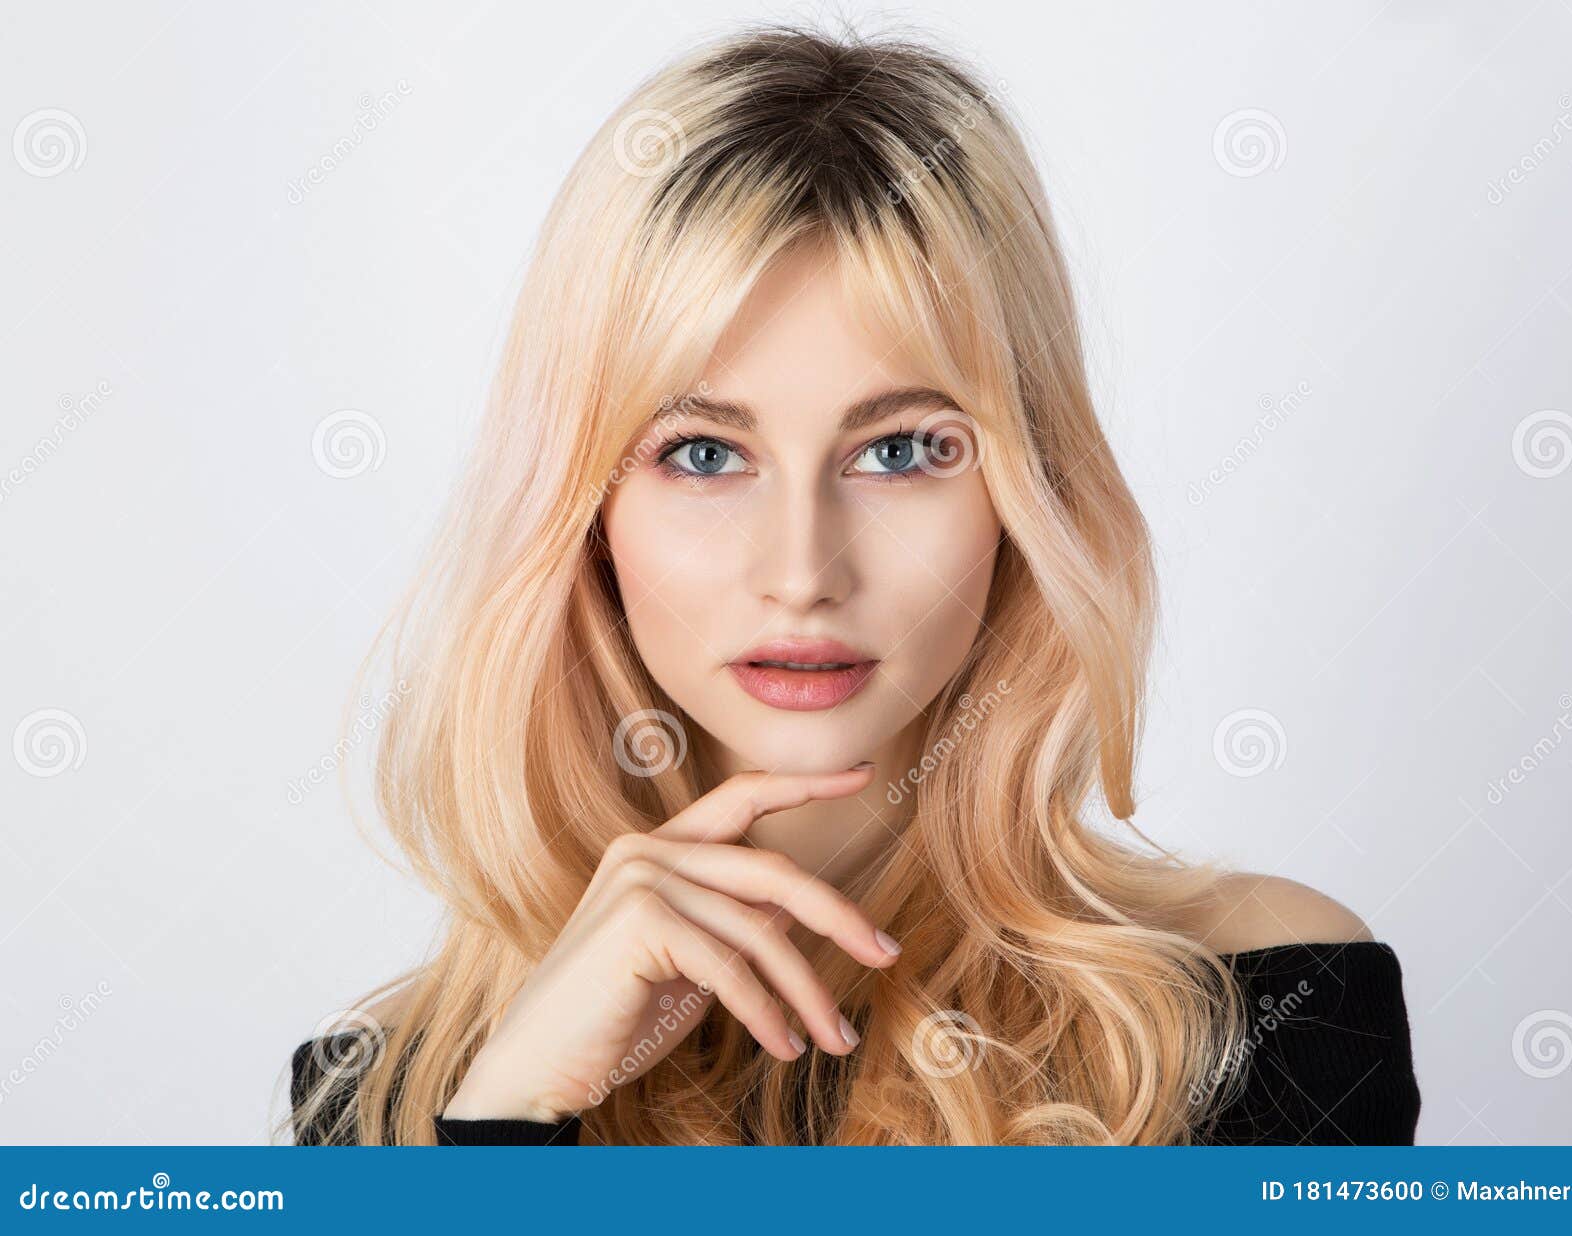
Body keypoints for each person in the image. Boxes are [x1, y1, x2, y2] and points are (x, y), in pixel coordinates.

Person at [284, 20, 1420, 1147]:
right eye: (703, 454)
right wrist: (502, 1127)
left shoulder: (1263, 1008)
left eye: (901, 450)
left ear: (1025, 498)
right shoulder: (391, 1096)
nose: (801, 574)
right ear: (586, 518)